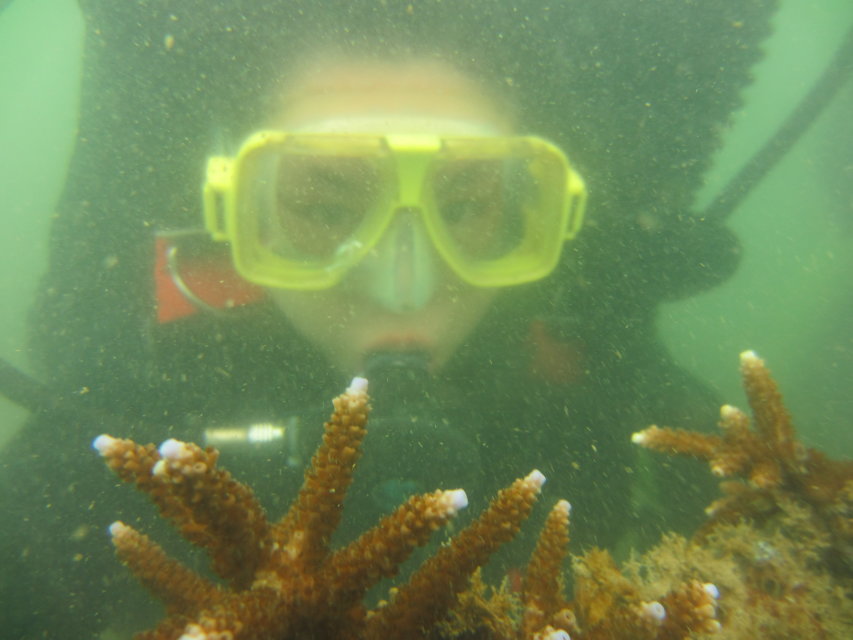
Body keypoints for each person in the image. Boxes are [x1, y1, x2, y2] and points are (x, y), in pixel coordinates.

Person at [0, 1, 779, 637]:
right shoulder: (137, 404)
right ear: (235, 216)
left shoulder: (603, 382)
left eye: (463, 206)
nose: (404, 288)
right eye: (322, 206)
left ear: (530, 212)